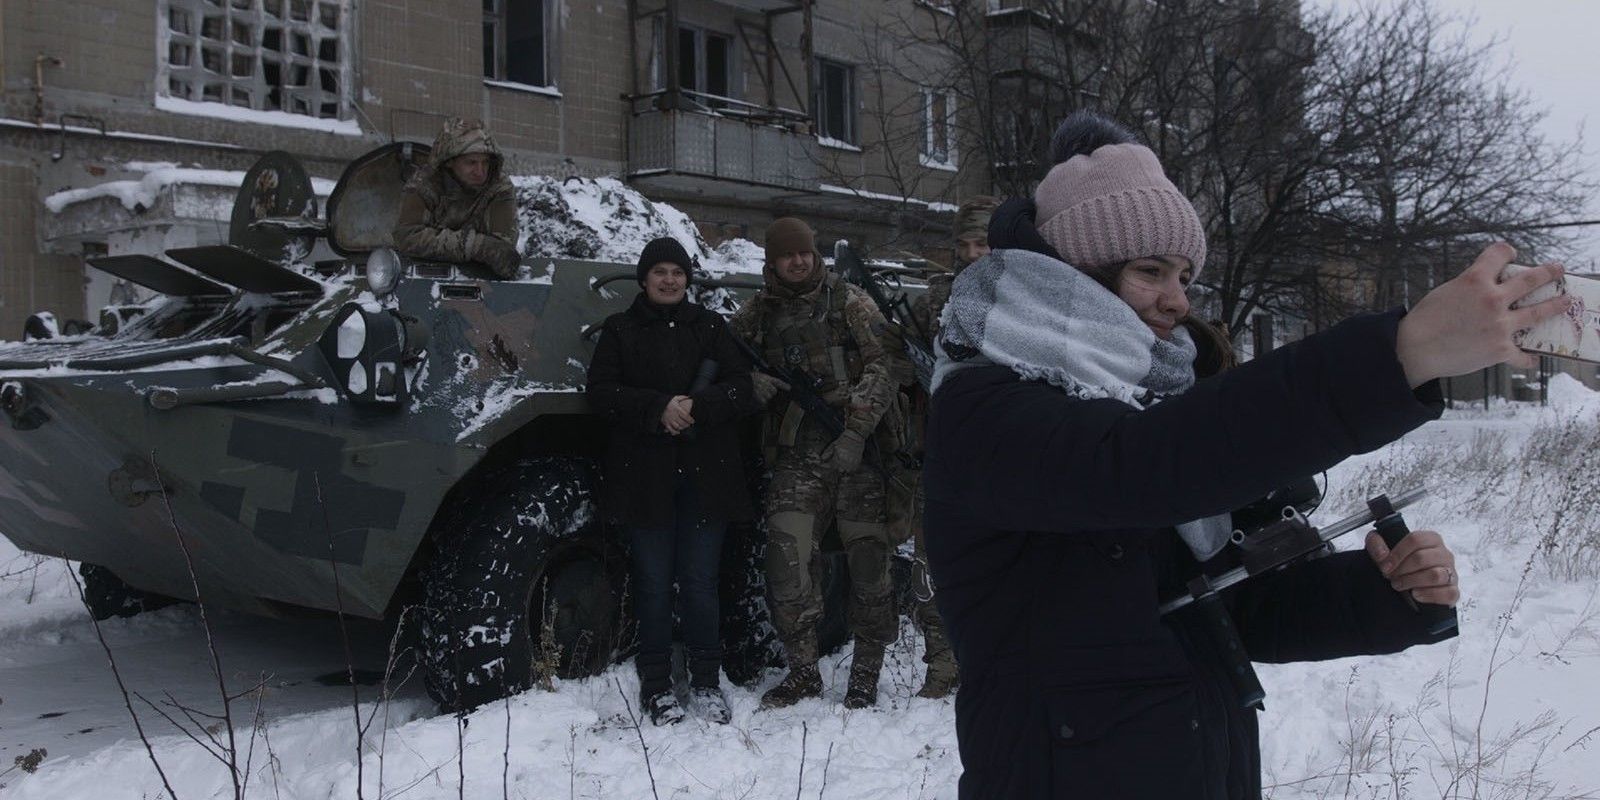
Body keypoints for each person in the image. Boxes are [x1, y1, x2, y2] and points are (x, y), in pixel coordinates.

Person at [922, 110, 1568, 798]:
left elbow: (1222, 607)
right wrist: (1408, 351)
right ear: (1073, 273)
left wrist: (1384, 597)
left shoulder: (1146, 404)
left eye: (1185, 277)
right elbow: (1146, 469)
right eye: (1151, 272)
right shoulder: (985, 409)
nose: (1177, 302)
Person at [586, 236, 760, 726]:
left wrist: (695, 407)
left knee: (701, 583)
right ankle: (657, 686)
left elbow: (741, 388)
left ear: (688, 280)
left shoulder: (710, 327)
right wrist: (657, 408)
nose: (669, 280)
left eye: (677, 273)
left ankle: (706, 681)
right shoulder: (620, 330)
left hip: (708, 476)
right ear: (644, 279)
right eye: (660, 272)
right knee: (655, 585)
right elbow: (600, 392)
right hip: (647, 478)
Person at [728, 217, 900, 709]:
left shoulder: (849, 302)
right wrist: (748, 385)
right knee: (786, 557)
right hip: (797, 455)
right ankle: (803, 671)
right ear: (773, 262)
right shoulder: (758, 313)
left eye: (805, 253)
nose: (798, 262)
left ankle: (865, 673)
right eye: (788, 255)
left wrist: (855, 431)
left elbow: (885, 364)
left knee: (869, 562)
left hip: (855, 451)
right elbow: (722, 355)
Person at [893, 195, 998, 700]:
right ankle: (942, 665)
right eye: (966, 244)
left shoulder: (1028, 297)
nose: (974, 253)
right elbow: (895, 363)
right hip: (940, 451)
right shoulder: (934, 299)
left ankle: (996, 662)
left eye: (984, 243)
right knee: (932, 565)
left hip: (1006, 452)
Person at [392, 117, 522, 278]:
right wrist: (473, 246)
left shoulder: (499, 188)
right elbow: (407, 237)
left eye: (485, 163)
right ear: (449, 162)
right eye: (471, 163)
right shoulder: (424, 185)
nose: (480, 171)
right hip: (424, 273)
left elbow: (501, 248)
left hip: (480, 276)